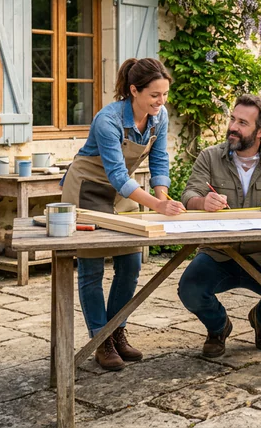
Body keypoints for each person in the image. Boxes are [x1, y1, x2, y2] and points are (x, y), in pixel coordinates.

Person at [61, 58, 186, 371]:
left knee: (130, 263)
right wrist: (156, 206)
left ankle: (117, 329)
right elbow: (117, 173)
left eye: (165, 95)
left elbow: (159, 161)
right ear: (134, 90)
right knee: (91, 269)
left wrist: (162, 198)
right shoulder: (109, 120)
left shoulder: (159, 118)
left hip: (123, 192)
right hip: (89, 188)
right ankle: (99, 338)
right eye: (154, 95)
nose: (161, 101)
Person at [177, 95, 261, 358]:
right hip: (217, 252)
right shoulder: (209, 156)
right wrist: (202, 201)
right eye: (232, 118)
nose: (233, 126)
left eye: (242, 122)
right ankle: (219, 327)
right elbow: (189, 195)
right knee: (189, 290)